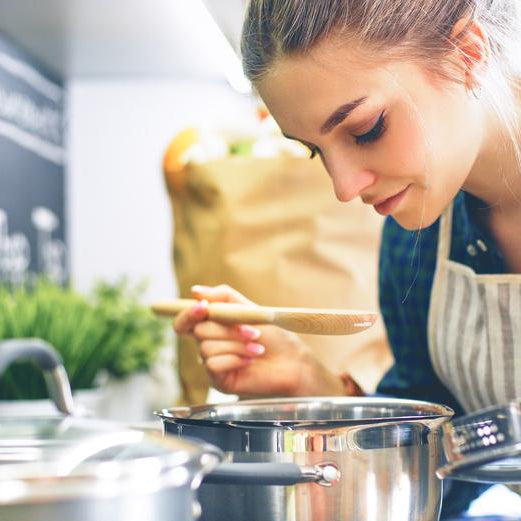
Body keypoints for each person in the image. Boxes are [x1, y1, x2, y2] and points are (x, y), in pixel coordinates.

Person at [174, 1, 521, 515]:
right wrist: (305, 383)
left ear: (465, 54)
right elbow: (440, 474)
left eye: (365, 129)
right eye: (316, 150)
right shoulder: (417, 241)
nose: (343, 187)